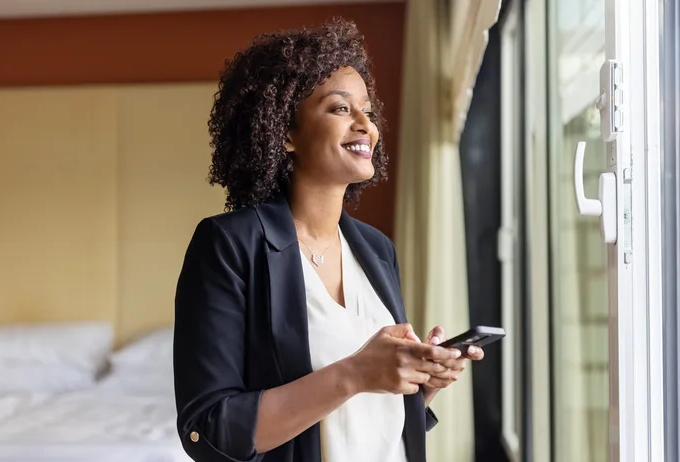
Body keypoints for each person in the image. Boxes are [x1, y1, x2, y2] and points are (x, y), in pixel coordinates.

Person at [173, 17, 484, 462]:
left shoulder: (376, 249)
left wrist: (420, 380)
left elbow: (370, 417)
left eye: (369, 112)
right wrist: (356, 372)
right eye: (341, 109)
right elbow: (210, 429)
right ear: (285, 133)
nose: (367, 126)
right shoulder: (228, 245)